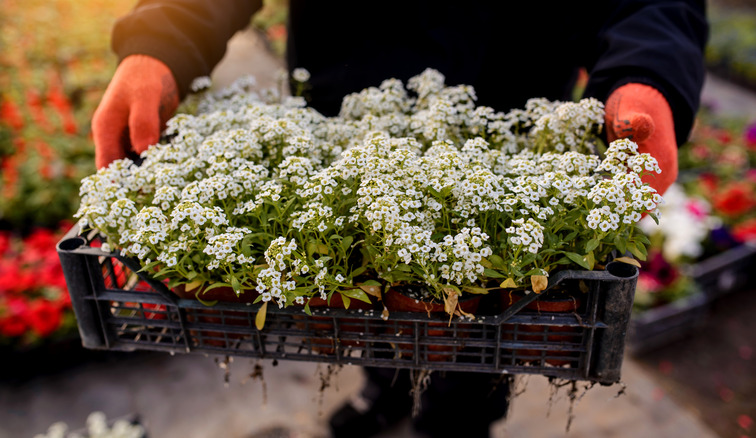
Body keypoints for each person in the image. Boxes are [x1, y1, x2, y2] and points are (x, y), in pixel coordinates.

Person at [92, 1, 708, 437]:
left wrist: (647, 73)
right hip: (343, 125)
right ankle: (381, 392)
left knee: (487, 319)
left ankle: (460, 421)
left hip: (503, 131)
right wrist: (164, 36)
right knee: (368, 297)